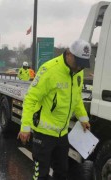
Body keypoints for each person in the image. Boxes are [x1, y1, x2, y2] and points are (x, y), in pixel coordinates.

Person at [17, 39, 91, 180]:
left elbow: (76, 97)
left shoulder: (78, 73)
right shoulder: (49, 70)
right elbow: (30, 99)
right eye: (78, 63)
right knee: (41, 175)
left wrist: (83, 118)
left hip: (62, 134)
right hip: (43, 134)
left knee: (62, 172)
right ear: (69, 54)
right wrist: (25, 127)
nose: (79, 68)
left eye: (83, 65)